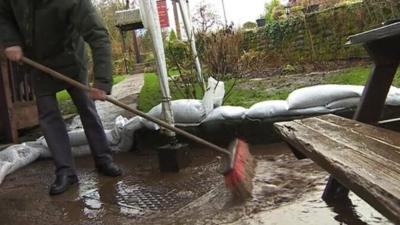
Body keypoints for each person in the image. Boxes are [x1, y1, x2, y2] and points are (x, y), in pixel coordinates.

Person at [0, 0, 122, 195]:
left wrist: (102, 82)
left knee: (86, 108)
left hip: (72, 59)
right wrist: (11, 41)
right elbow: (3, 14)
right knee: (48, 116)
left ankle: (103, 159)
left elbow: (98, 35)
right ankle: (66, 172)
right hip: (38, 63)